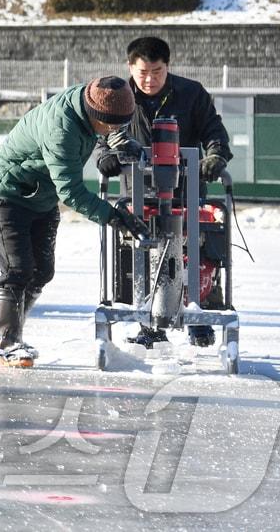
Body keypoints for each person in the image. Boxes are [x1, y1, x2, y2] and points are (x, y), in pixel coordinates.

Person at [0, 76, 151, 367]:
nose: (114, 130)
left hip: (41, 195)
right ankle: (8, 343)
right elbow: (71, 192)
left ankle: (3, 329)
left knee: (42, 272)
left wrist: (119, 141)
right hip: (6, 194)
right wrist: (114, 217)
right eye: (111, 126)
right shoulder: (62, 128)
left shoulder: (93, 103)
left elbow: (106, 128)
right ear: (95, 115)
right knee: (17, 269)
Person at [93, 35, 234, 347]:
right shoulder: (118, 97)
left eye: (156, 71)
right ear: (130, 68)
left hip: (185, 189)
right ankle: (149, 320)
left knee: (191, 252)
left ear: (167, 67)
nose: (149, 79)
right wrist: (105, 158)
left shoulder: (191, 93)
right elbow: (103, 137)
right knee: (142, 253)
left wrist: (215, 155)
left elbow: (213, 130)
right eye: (142, 72)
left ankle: (198, 311)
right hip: (139, 192)